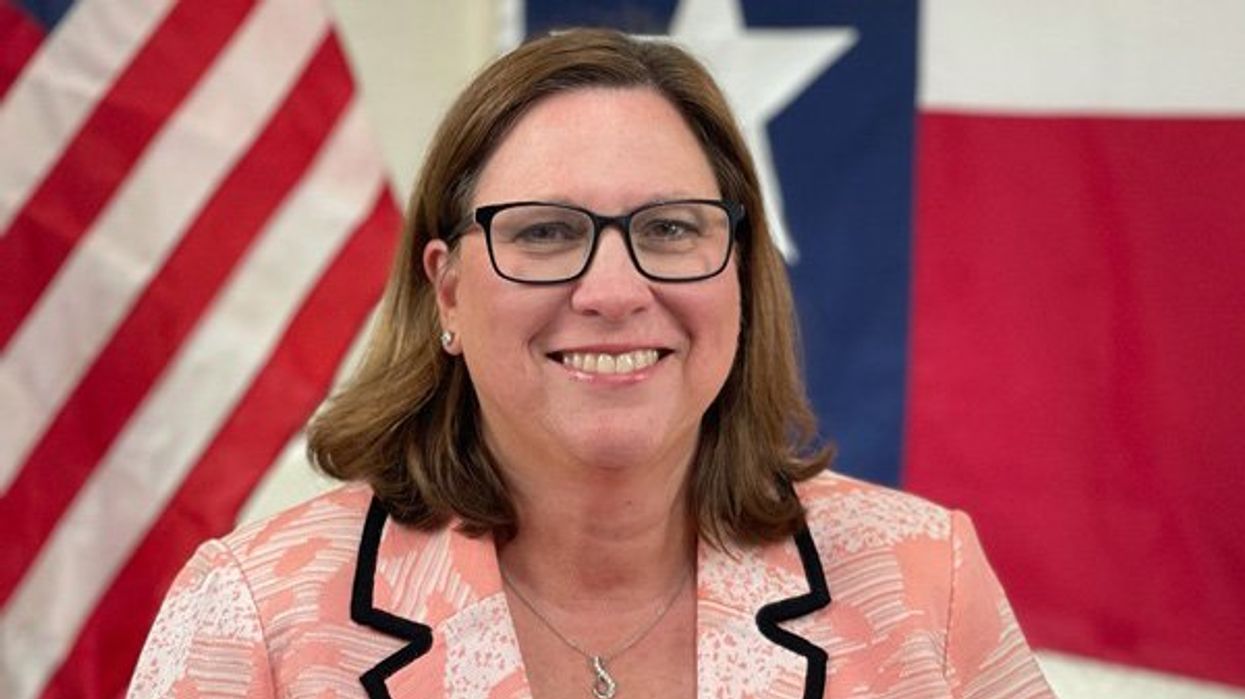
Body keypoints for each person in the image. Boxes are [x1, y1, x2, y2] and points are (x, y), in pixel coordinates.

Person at [128, 28, 1054, 699]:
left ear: (737, 274)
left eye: (670, 228)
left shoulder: (922, 579)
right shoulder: (257, 615)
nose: (614, 290)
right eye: (544, 232)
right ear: (447, 292)